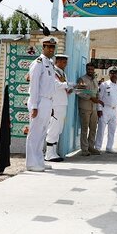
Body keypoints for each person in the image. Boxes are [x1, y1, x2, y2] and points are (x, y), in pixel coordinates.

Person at [25, 36, 57, 172]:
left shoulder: (49, 64)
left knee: (42, 133)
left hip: (47, 101)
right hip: (39, 101)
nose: (51, 49)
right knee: (35, 133)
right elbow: (34, 85)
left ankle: (39, 161)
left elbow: (50, 86)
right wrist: (34, 106)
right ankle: (31, 163)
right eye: (48, 47)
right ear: (43, 47)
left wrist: (52, 106)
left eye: (53, 47)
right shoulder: (38, 63)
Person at [45, 53, 73, 162]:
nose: (65, 64)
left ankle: (53, 152)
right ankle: (48, 154)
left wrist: (70, 88)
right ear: (57, 62)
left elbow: (64, 87)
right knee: (53, 127)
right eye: (63, 62)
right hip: (55, 103)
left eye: (65, 62)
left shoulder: (62, 73)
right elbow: (56, 85)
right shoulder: (53, 71)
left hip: (62, 103)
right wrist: (69, 84)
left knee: (58, 128)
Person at [95, 66, 117, 153]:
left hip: (115, 110)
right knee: (101, 129)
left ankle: (109, 147)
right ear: (109, 74)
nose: (114, 75)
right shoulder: (104, 85)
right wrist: (99, 109)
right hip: (105, 109)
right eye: (112, 73)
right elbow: (100, 97)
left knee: (112, 130)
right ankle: (97, 147)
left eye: (115, 73)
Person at [76, 63, 102, 156]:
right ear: (86, 69)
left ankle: (91, 147)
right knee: (84, 129)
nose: (90, 71)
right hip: (85, 107)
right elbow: (79, 91)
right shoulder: (82, 79)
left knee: (93, 128)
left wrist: (97, 99)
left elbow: (96, 91)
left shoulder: (95, 79)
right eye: (88, 69)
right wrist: (90, 98)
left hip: (94, 107)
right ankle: (84, 149)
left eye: (92, 69)